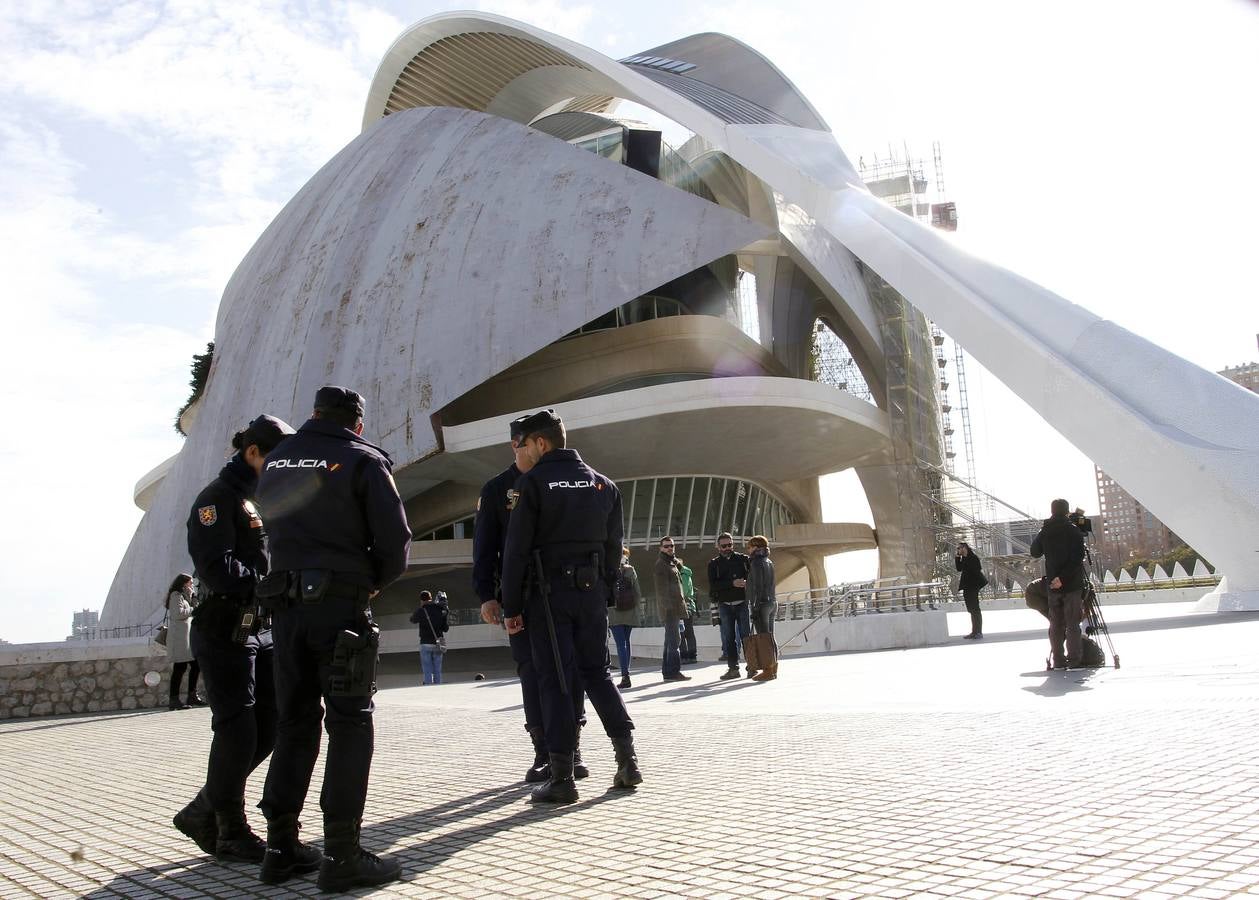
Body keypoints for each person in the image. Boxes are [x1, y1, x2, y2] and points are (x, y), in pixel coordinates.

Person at [255, 386, 412, 891]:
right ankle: (341, 854)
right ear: (357, 425)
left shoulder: (276, 459)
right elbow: (395, 541)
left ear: (315, 415)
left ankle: (280, 847)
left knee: (294, 724)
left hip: (284, 610)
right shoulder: (362, 459)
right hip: (339, 606)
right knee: (349, 723)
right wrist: (371, 582)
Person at [174, 415, 301, 869]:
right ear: (253, 453)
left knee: (267, 728)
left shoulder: (256, 498)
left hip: (258, 629)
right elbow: (216, 569)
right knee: (237, 731)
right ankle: (229, 828)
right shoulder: (216, 499)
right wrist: (270, 581)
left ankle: (201, 810)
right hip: (223, 629)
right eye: (277, 459)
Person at [500, 409, 641, 804]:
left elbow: (516, 551)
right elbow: (615, 549)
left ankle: (562, 779)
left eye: (524, 443)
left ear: (541, 443)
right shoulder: (604, 485)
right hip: (592, 592)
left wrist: (511, 605)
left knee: (556, 679)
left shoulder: (533, 484)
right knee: (598, 673)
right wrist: (605, 590)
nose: (521, 449)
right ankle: (627, 759)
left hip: (547, 596)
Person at [474, 414, 588, 784]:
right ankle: (543, 750)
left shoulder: (563, 480)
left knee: (569, 670)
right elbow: (486, 548)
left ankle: (571, 749)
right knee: (532, 672)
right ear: (516, 445)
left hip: (562, 594)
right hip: (521, 597)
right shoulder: (498, 489)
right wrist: (488, 596)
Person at [1030, 498, 1087, 669]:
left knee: (1056, 624)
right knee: (1072, 624)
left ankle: (1058, 661)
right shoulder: (1074, 530)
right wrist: (1063, 578)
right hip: (1072, 583)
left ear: (1052, 511)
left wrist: (1056, 578)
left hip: (1053, 585)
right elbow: (1078, 558)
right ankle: (1075, 660)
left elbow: (1034, 552)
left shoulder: (1046, 530)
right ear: (1067, 511)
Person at [709, 532, 751, 681]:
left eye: (730, 545)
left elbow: (752, 576)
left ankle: (751, 666)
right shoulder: (714, 564)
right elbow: (713, 586)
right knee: (729, 638)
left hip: (742, 603)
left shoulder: (743, 559)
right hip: (725, 605)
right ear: (718, 547)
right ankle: (733, 668)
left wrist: (747, 583)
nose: (727, 548)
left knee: (747, 636)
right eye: (724, 546)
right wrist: (731, 584)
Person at [653, 537, 691, 682]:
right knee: (674, 640)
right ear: (661, 548)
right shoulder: (661, 565)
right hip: (670, 609)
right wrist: (668, 609)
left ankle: (668, 672)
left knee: (670, 641)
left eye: (672, 546)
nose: (670, 548)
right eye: (666, 546)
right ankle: (673, 671)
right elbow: (661, 590)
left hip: (674, 607)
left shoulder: (671, 563)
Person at [165, 573, 203, 710]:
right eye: (190, 582)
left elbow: (194, 608)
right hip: (179, 639)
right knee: (180, 668)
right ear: (184, 583)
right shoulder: (176, 595)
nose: (192, 585)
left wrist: (192, 598)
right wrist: (194, 609)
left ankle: (191, 695)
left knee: (194, 665)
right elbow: (178, 614)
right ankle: (175, 699)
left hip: (185, 638)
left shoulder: (183, 596)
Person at [745, 535, 778, 681]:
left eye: (750, 547)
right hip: (772, 602)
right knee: (770, 637)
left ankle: (768, 670)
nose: (748, 550)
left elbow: (758, 586)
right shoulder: (768, 561)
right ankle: (773, 667)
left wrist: (755, 606)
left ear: (756, 547)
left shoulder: (756, 562)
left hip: (762, 603)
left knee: (764, 638)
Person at [608, 547, 642, 688]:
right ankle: (626, 675)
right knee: (627, 643)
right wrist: (637, 610)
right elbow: (637, 592)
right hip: (629, 611)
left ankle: (625, 676)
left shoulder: (608, 570)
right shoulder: (630, 570)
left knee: (621, 643)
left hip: (614, 611)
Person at [410, 590, 448, 684]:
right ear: (431, 598)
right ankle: (437, 688)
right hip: (438, 643)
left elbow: (412, 620)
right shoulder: (440, 609)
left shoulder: (422, 610)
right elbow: (445, 628)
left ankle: (428, 688)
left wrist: (421, 608)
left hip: (425, 643)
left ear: (421, 600)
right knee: (437, 670)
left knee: (427, 670)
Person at [955, 542, 987, 640]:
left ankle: (979, 632)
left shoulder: (973, 557)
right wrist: (957, 558)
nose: (958, 550)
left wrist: (965, 558)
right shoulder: (964, 559)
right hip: (967, 587)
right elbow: (959, 568)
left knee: (975, 610)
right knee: (971, 610)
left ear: (964, 548)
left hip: (973, 587)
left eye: (959, 548)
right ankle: (974, 632)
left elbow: (976, 570)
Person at [677, 559, 698, 663]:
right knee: (686, 631)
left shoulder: (683, 575)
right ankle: (690, 655)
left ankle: (686, 656)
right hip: (687, 606)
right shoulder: (686, 574)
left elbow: (683, 592)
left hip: (684, 606)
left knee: (684, 631)